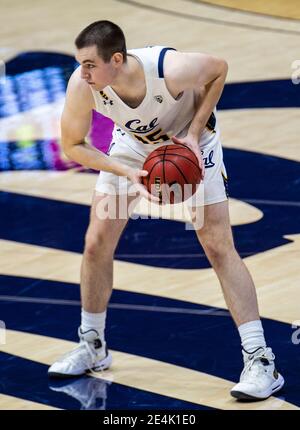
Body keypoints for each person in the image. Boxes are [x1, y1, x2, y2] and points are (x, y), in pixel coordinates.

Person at [48, 20, 284, 401]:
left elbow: (219, 68)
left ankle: (261, 361)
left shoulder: (168, 69)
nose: (83, 72)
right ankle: (92, 344)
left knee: (217, 245)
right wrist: (126, 170)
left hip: (192, 142)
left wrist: (192, 134)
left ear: (117, 60)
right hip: (135, 144)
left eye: (91, 64)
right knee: (96, 242)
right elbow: (73, 146)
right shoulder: (83, 84)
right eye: (81, 64)